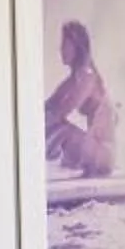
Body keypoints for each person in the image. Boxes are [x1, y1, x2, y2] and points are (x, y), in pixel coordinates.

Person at [46, 18, 118, 178]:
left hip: (103, 153)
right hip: (95, 149)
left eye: (65, 45)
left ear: (76, 46)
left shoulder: (87, 76)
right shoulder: (76, 77)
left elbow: (63, 110)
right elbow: (51, 104)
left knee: (59, 129)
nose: (60, 50)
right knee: (49, 123)